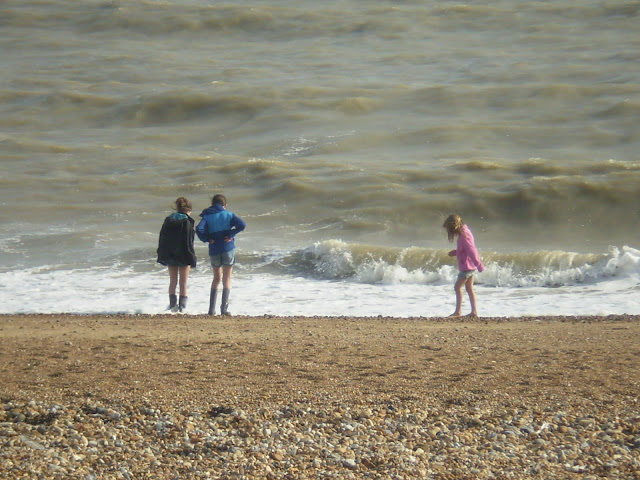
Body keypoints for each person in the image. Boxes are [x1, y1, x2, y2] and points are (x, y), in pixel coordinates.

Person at [196, 194, 246, 316]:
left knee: (216, 278)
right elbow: (242, 225)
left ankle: (211, 310)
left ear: (213, 204)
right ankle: (223, 309)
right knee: (227, 278)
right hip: (228, 248)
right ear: (225, 205)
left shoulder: (207, 216)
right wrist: (231, 235)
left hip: (214, 249)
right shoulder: (229, 214)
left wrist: (207, 239)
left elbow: (199, 229)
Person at [157, 197, 197, 313]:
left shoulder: (168, 220)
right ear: (188, 209)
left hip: (170, 254)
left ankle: (172, 306)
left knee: (173, 281)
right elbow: (189, 241)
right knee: (183, 282)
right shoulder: (187, 221)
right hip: (184, 254)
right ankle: (182, 307)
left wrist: (162, 253)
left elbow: (162, 238)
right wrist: (192, 256)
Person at [443, 213, 485, 317]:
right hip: (470, 266)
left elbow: (471, 250)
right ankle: (474, 311)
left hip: (467, 267)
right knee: (469, 289)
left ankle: (458, 312)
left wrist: (479, 264)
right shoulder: (465, 233)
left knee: (457, 287)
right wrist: (455, 252)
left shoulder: (464, 236)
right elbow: (464, 249)